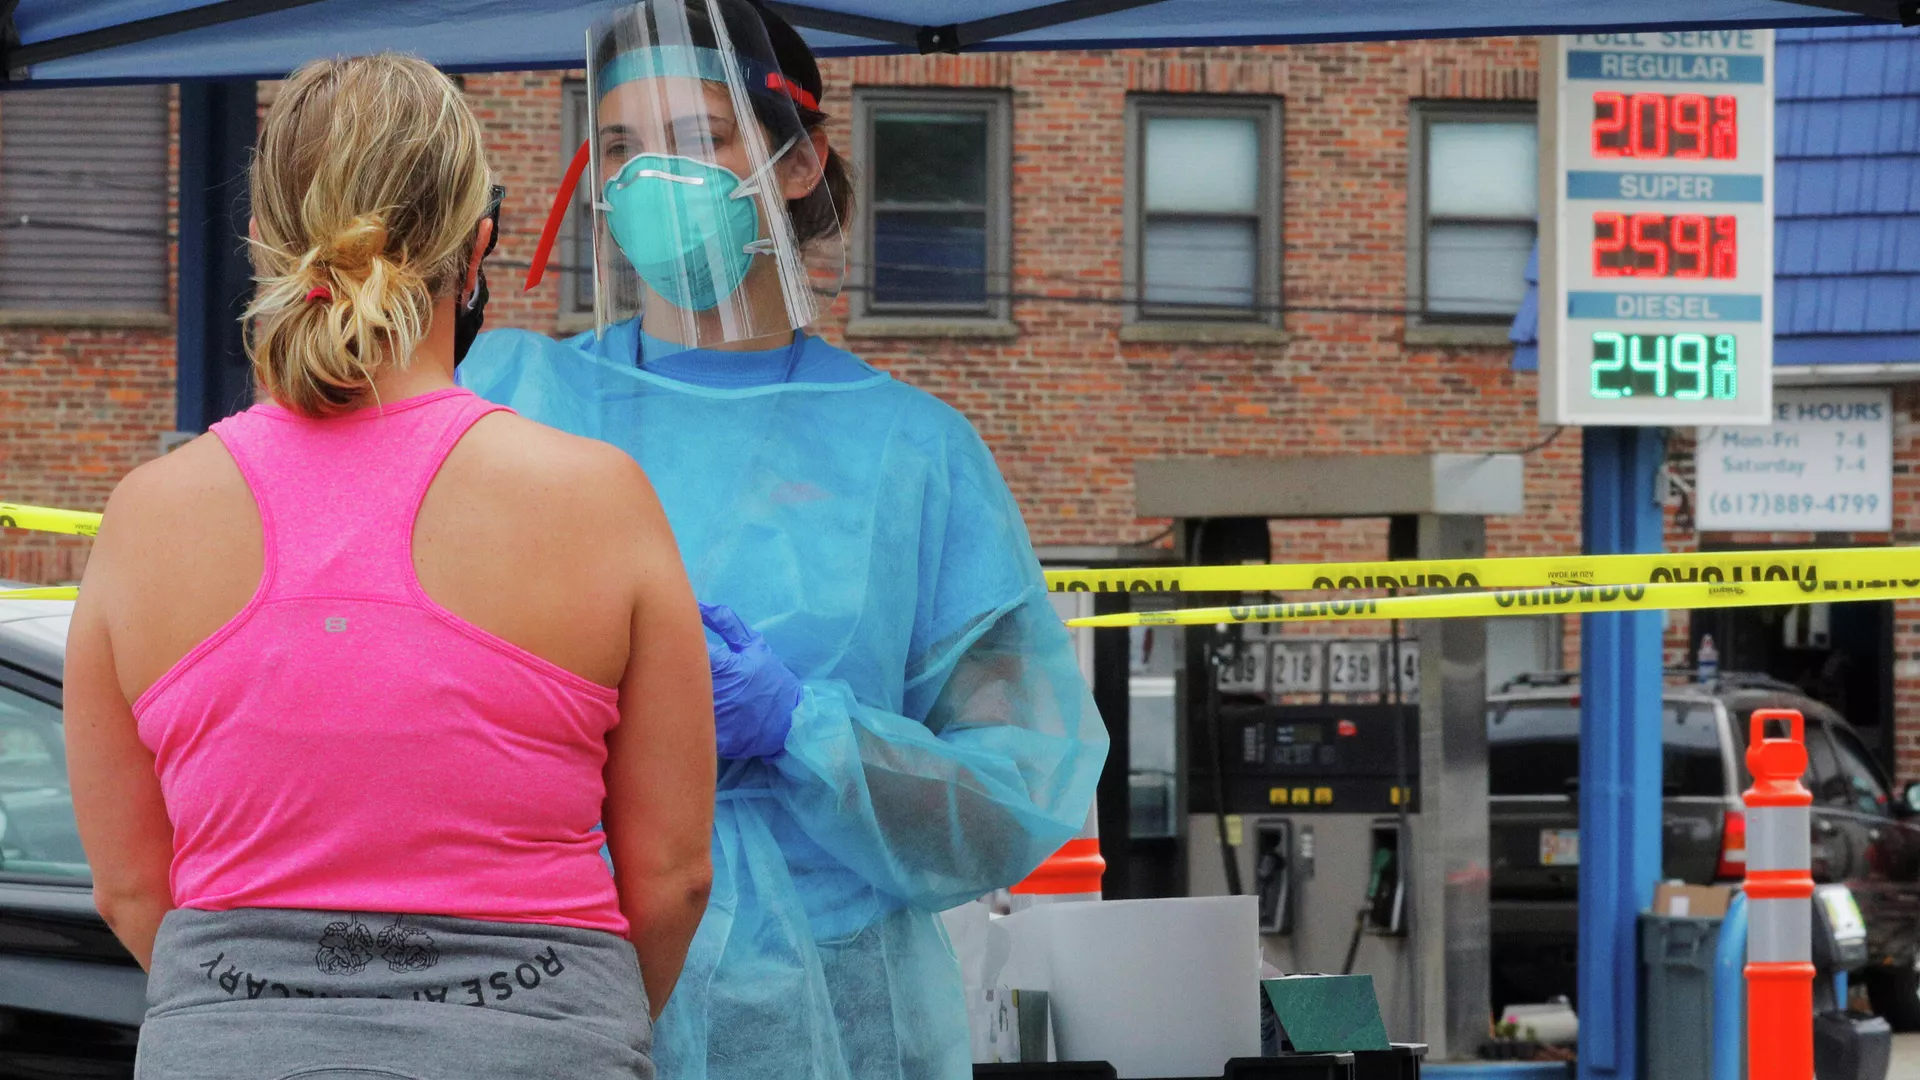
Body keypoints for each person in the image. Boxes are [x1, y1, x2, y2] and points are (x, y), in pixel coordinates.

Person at [457, 2, 1109, 1077]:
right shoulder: (514, 400)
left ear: (798, 163)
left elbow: (1016, 792)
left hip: (834, 1009)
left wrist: (803, 729)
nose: (651, 178)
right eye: (619, 148)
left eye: (697, 139)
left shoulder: (912, 451)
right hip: (549, 984)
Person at [63, 53, 715, 1080]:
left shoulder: (147, 518)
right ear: (480, 243)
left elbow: (131, 890)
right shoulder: (596, 500)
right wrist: (572, 1026)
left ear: (262, 243)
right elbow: (673, 877)